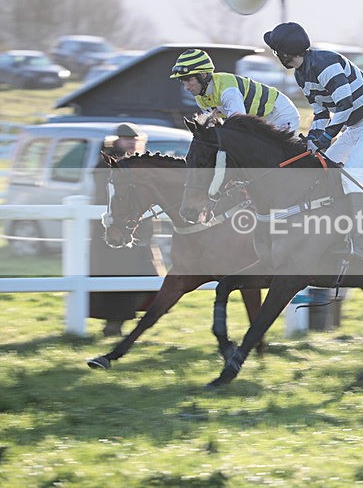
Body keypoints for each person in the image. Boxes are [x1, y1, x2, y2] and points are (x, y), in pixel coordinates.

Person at [264, 22, 363, 261]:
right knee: (321, 171)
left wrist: (324, 138)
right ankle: (330, 230)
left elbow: (345, 105)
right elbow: (321, 112)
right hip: (354, 128)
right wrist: (313, 139)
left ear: (284, 53)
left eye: (276, 51)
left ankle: (359, 241)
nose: (276, 56)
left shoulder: (326, 63)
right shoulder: (301, 74)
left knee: (351, 176)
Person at [90, 123, 162, 336]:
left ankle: (135, 323)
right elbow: (108, 198)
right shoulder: (107, 165)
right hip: (115, 232)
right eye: (126, 139)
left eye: (133, 139)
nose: (130, 142)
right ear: (117, 141)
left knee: (150, 280)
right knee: (118, 282)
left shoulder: (139, 163)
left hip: (139, 232)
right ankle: (114, 325)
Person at [169, 48, 299, 133]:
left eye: (189, 80)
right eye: (183, 81)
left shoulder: (228, 90)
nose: (186, 87)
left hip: (279, 113)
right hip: (260, 120)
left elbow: (239, 125)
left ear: (203, 75)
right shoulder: (200, 97)